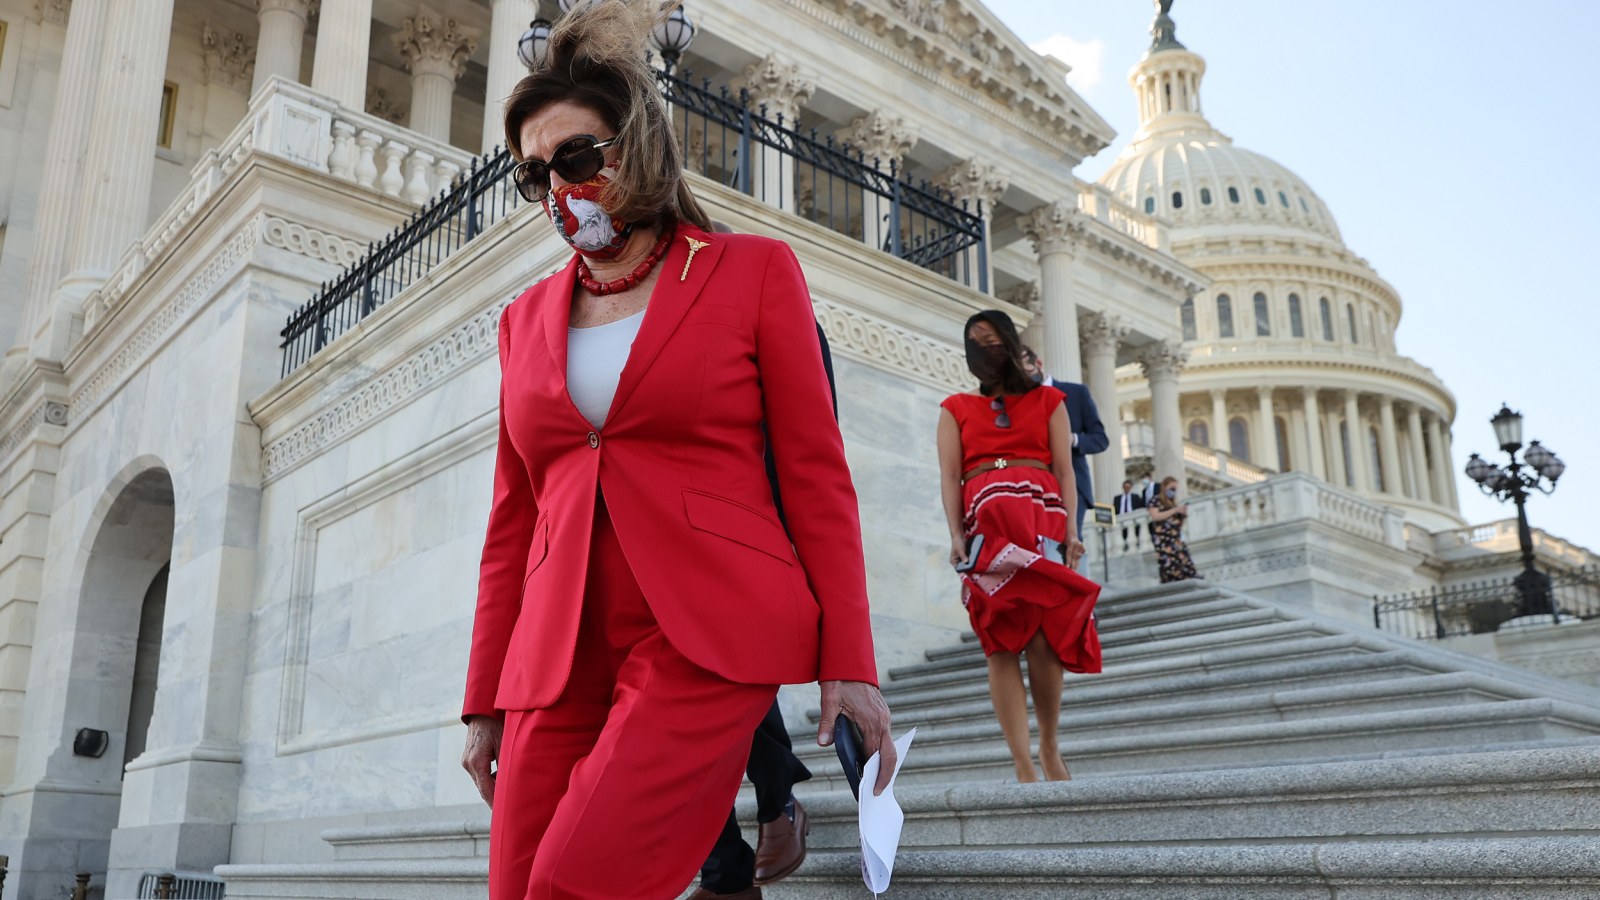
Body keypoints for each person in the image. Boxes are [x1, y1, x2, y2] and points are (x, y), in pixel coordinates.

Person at [459, 5, 894, 898]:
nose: (558, 189)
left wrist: (849, 663)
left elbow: (817, 477)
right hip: (555, 651)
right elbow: (513, 520)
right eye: (535, 176)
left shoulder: (752, 273)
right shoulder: (523, 320)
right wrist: (482, 701)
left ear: (636, 147)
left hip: (705, 632)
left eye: (576, 158)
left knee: (575, 881)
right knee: (514, 887)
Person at [938, 310, 1102, 783]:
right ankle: (1022, 761)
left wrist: (1072, 530)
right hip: (986, 524)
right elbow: (950, 477)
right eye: (975, 344)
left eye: (991, 341)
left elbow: (1066, 469)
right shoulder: (954, 408)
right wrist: (955, 534)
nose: (984, 351)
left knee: (1045, 635)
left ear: (1009, 342)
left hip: (1040, 519)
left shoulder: (1051, 400)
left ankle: (1049, 746)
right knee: (1000, 641)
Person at [1020, 346, 1108, 539]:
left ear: (1039, 364)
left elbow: (1100, 440)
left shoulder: (1076, 393)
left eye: (1028, 372)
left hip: (1072, 485)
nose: (1025, 381)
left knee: (1064, 546)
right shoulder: (1019, 402)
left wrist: (1073, 439)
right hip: (1032, 487)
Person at [1148, 476, 1201, 583]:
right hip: (1164, 538)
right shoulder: (1156, 500)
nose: (1173, 492)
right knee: (1169, 562)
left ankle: (1189, 576)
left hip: (1176, 537)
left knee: (1184, 559)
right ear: (1164, 487)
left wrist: (1182, 515)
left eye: (1175, 489)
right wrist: (1174, 510)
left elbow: (1178, 524)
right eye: (1172, 488)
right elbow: (1155, 516)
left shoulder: (1173, 504)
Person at [1114, 479, 1146, 550]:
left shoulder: (1135, 497)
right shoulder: (1117, 498)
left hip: (1133, 520)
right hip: (1121, 521)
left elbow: (1139, 508)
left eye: (1128, 487)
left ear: (1131, 488)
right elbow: (1115, 510)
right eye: (1125, 487)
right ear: (1123, 487)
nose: (1126, 489)